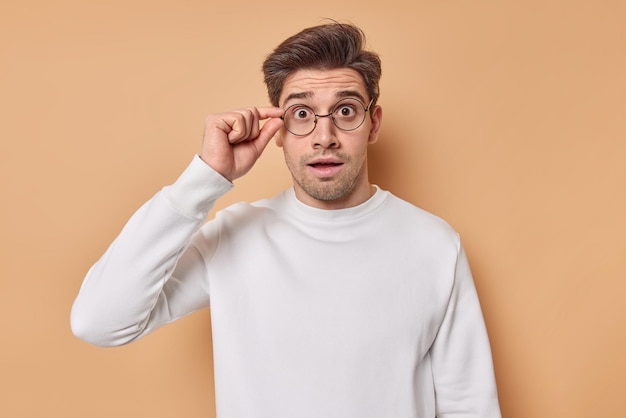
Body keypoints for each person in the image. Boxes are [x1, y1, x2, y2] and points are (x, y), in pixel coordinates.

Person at [71, 22, 501, 418]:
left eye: (346, 110)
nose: (324, 135)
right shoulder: (233, 236)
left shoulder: (434, 244)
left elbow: (470, 404)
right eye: (301, 114)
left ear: (373, 123)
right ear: (276, 129)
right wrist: (205, 178)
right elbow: (99, 321)